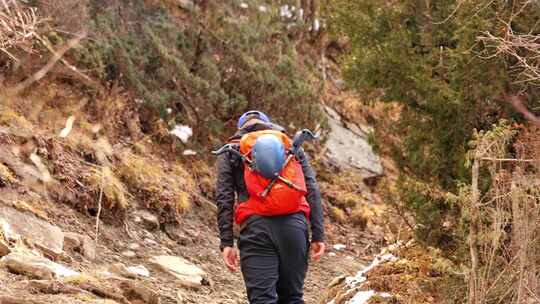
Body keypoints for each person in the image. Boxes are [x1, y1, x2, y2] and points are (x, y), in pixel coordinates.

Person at [215, 110, 326, 304]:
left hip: (256, 230)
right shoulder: (290, 147)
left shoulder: (232, 151)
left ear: (241, 128)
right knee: (292, 298)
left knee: (262, 300)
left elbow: (224, 198)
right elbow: (312, 189)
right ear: (269, 125)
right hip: (295, 228)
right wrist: (318, 234)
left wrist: (226, 243)